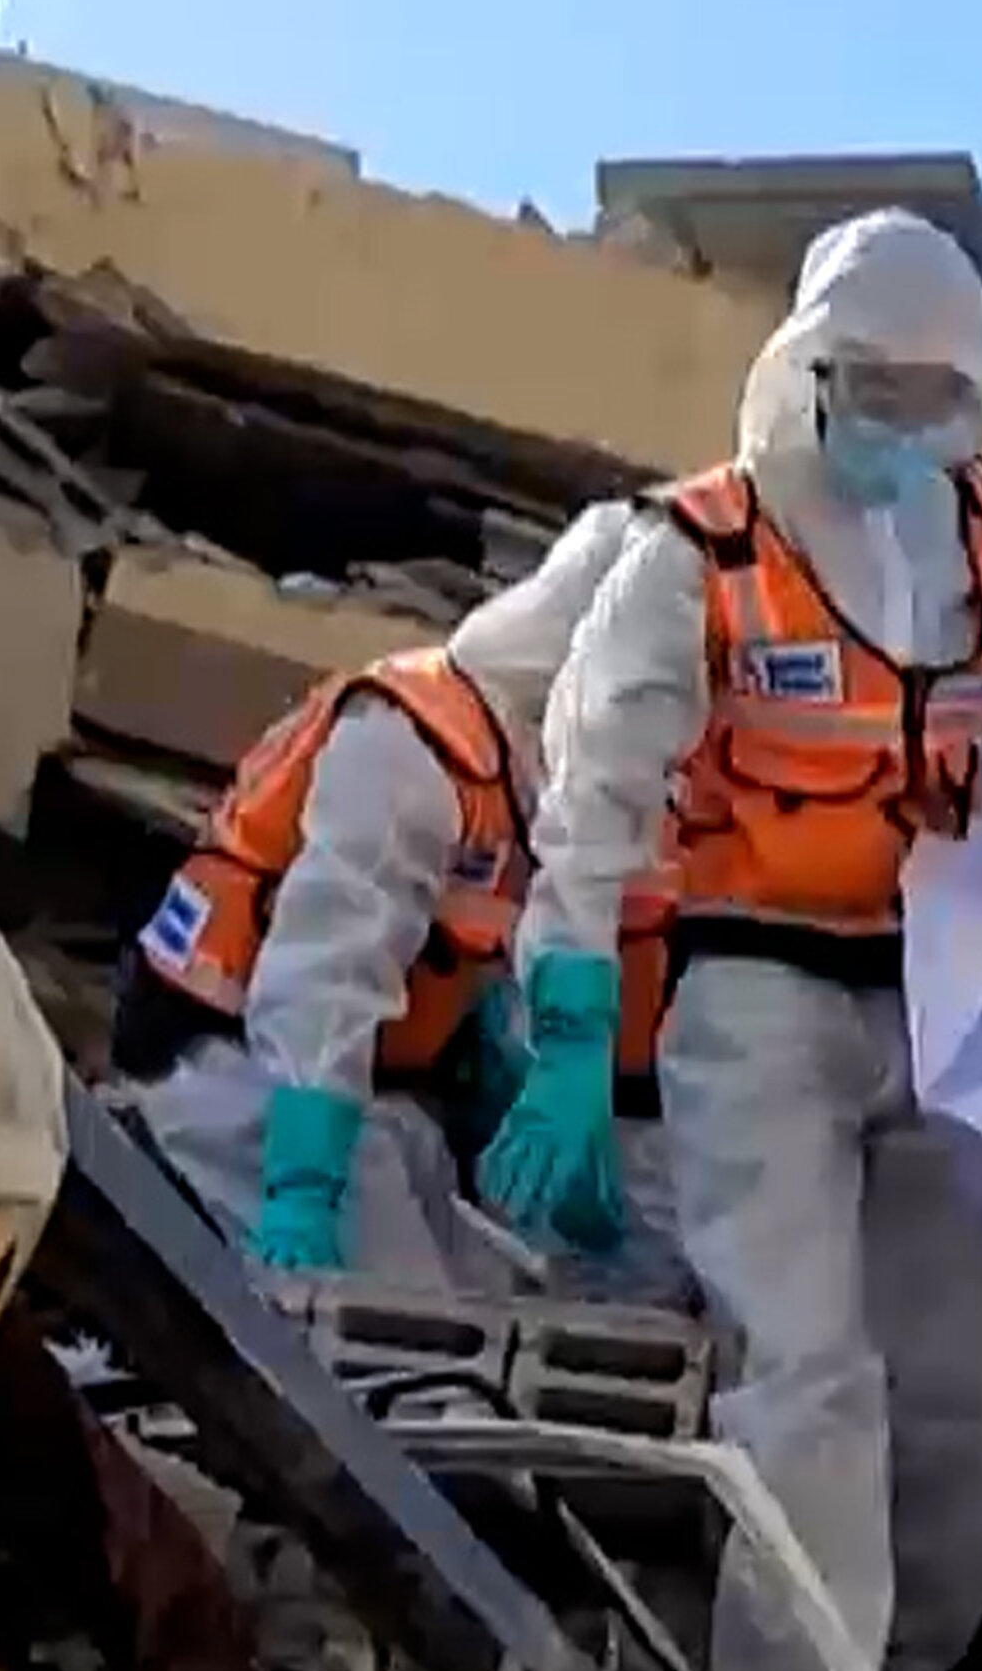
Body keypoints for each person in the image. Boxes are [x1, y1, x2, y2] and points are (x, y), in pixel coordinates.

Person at [483, 210, 982, 1671]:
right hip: (754, 994)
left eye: (934, 402)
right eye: (874, 395)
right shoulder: (702, 552)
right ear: (812, 376)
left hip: (926, 993)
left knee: (970, 1385)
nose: (904, 431)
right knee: (807, 1372)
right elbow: (595, 790)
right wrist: (566, 1019)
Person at [111, 500, 652, 1281]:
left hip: (371, 1104)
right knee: (414, 1348)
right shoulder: (408, 745)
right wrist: (302, 1188)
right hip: (249, 1086)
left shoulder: (538, 785)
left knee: (508, 1299)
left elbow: (498, 979)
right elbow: (322, 977)